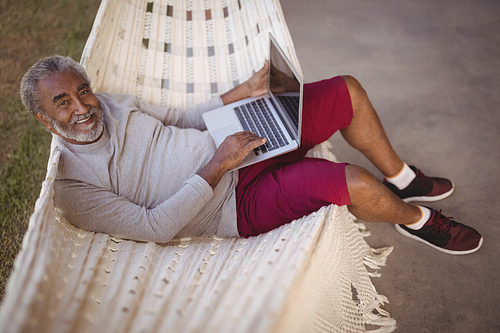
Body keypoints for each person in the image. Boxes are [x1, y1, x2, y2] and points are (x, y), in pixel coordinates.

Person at [20, 55, 482, 255]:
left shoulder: (114, 103)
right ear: (44, 119)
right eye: (63, 102)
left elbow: (181, 119)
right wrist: (218, 163)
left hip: (238, 142)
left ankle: (402, 176)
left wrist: (239, 94)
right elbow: (153, 228)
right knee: (354, 182)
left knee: (346, 90)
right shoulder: (73, 187)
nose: (82, 107)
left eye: (83, 92)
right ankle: (416, 220)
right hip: (232, 204)